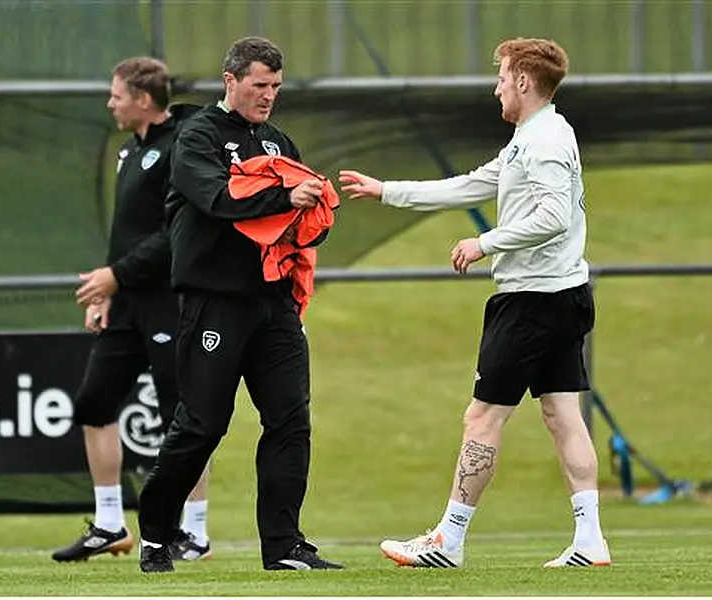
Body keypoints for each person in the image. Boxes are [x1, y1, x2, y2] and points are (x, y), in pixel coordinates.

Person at [339, 37, 610, 569]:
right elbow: (470, 185)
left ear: (524, 83)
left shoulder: (544, 142)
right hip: (563, 295)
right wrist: (387, 191)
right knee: (562, 415)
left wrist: (485, 243)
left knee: (482, 418)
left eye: (503, 78)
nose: (497, 88)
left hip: (532, 301)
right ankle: (590, 540)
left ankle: (450, 540)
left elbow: (554, 216)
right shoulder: (534, 137)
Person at [136, 36, 343, 573]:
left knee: (290, 420)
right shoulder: (197, 136)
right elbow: (218, 198)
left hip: (273, 304)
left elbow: (300, 224)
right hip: (215, 303)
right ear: (231, 81)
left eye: (275, 86)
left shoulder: (279, 142)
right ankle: (157, 534)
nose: (268, 95)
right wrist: (284, 198)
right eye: (259, 85)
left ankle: (284, 546)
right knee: (203, 424)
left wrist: (314, 216)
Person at [52, 57, 212, 563]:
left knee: (181, 419)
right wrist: (107, 289)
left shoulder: (179, 148)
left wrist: (114, 276)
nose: (110, 103)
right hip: (126, 303)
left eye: (116, 94)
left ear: (143, 99)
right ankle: (108, 524)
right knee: (94, 404)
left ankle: (196, 533)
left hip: (169, 300)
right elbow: (128, 232)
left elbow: (175, 235)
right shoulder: (128, 150)